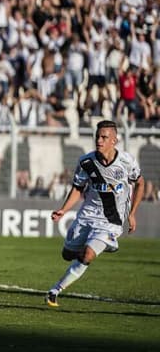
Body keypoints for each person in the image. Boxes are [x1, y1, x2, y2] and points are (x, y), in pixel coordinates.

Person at [46, 120, 145, 307]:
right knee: (67, 254)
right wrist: (63, 210)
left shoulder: (127, 162)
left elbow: (140, 183)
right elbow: (77, 188)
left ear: (114, 140)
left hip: (111, 221)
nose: (99, 141)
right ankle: (97, 246)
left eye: (104, 137)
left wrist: (132, 213)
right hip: (87, 216)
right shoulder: (86, 162)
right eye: (97, 137)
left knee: (87, 255)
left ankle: (55, 291)